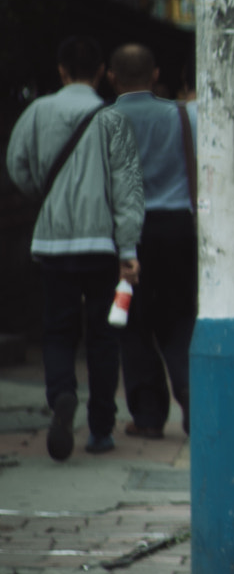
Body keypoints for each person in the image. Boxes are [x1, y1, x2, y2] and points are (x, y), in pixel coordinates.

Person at [5, 35, 144, 461]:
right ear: (102, 72)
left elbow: (16, 165)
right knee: (103, 337)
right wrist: (128, 248)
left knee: (58, 329)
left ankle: (62, 394)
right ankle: (101, 428)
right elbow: (127, 190)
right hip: (101, 244)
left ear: (61, 71)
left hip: (53, 241)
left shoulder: (38, 112)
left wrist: (43, 198)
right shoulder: (113, 119)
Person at [106, 43, 199, 439]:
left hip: (129, 236)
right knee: (179, 318)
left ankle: (147, 416)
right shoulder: (184, 115)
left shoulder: (105, 120)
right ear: (156, 74)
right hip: (178, 228)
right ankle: (191, 389)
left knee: (133, 322)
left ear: (111, 76)